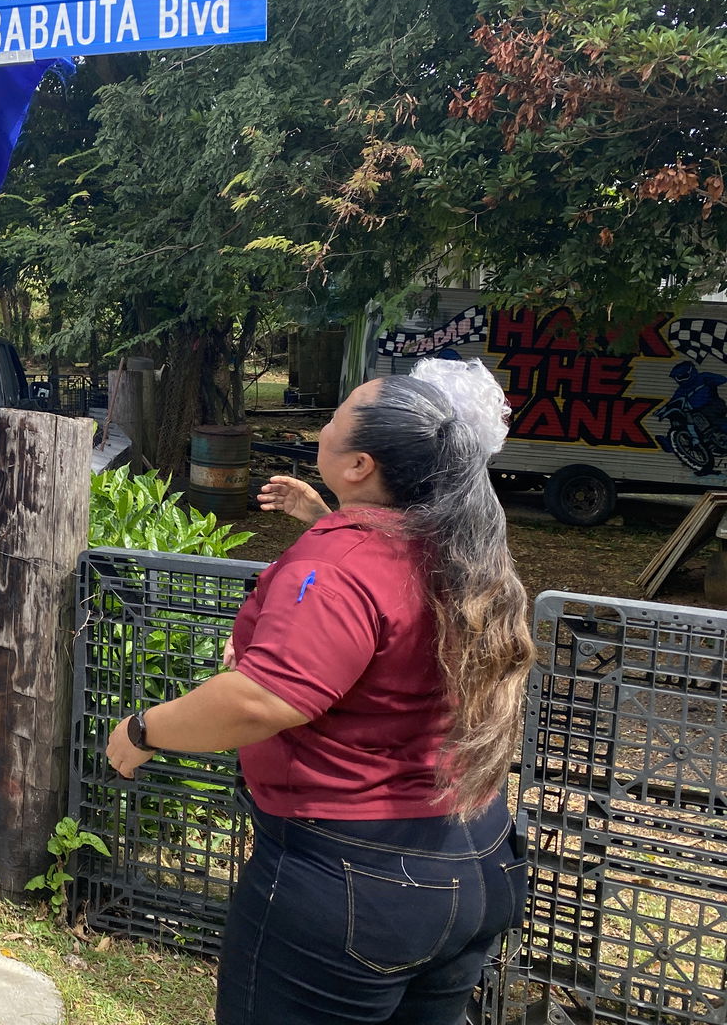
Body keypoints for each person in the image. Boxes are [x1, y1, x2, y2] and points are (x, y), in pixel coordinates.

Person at [106, 357, 534, 1025]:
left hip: (357, 878)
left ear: (361, 464)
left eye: (336, 416)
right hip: (476, 857)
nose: (322, 425)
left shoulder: (339, 561)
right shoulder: (460, 545)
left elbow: (260, 701)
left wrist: (140, 730)